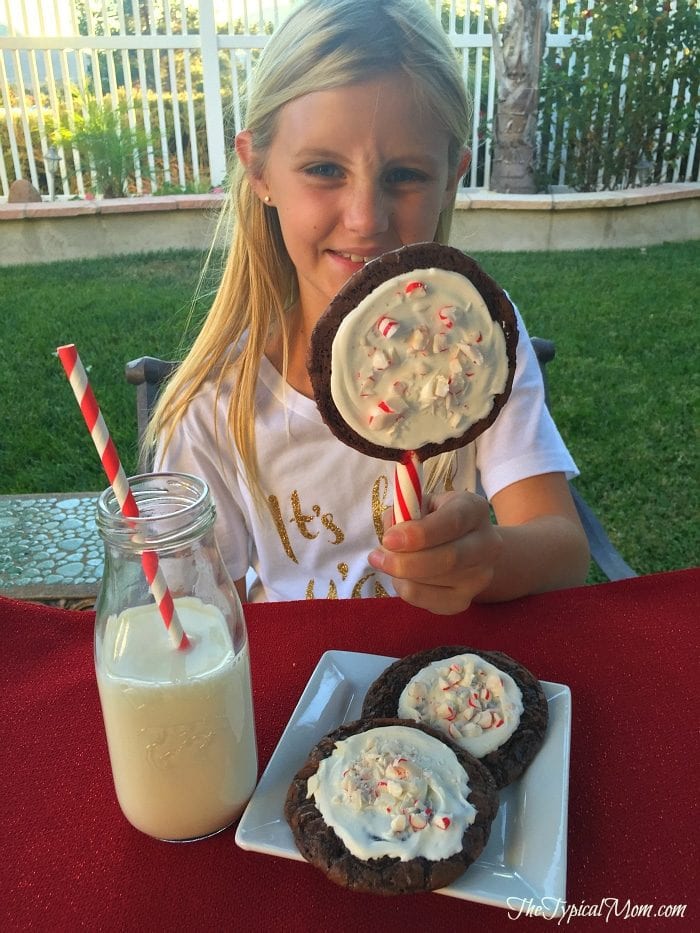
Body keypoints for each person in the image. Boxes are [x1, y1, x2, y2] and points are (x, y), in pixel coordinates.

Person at [150, 0, 590, 614]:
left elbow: (564, 550)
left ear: (450, 179)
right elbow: (191, 613)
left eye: (405, 175)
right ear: (259, 171)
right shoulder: (218, 405)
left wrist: (486, 561)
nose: (366, 219)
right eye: (325, 169)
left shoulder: (471, 339)